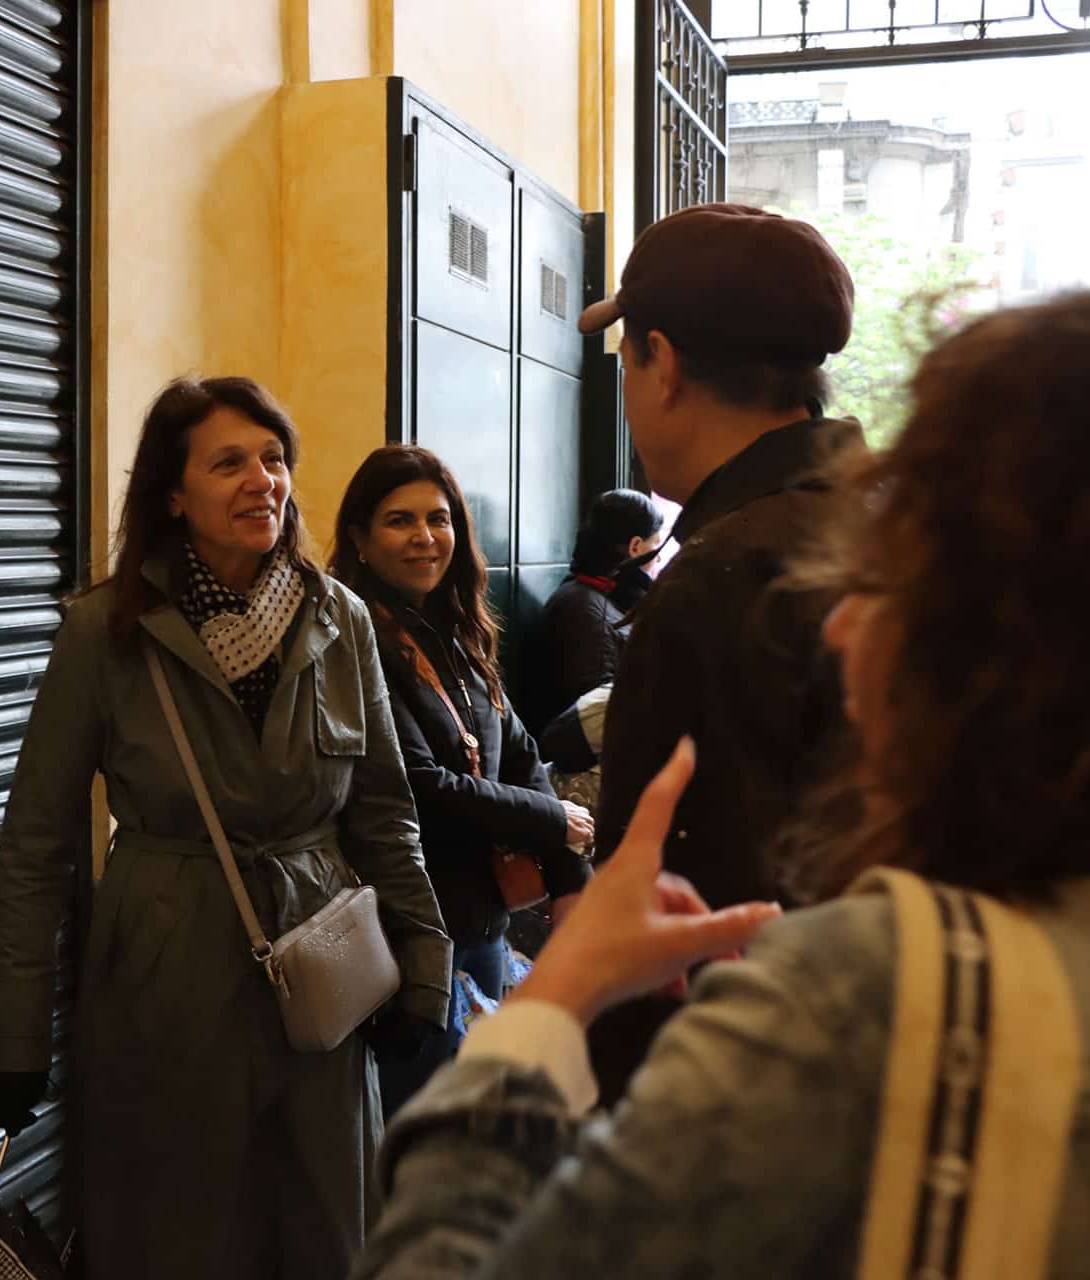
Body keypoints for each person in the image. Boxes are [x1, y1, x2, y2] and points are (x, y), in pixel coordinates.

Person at [355, 291, 1090, 1279]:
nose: (842, 627)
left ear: (1031, 646)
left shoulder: (870, 1001)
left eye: (894, 576)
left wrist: (547, 1009)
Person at [0, 377, 451, 1280]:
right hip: (165, 975)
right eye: (229, 463)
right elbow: (35, 845)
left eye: (273, 459)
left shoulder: (339, 619)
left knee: (327, 1231)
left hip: (324, 973)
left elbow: (387, 813)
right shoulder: (105, 632)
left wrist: (423, 968)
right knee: (177, 1237)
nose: (261, 480)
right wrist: (15, 1035)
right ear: (172, 493)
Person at [576, 203, 864, 1101]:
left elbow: (676, 907)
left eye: (627, 363)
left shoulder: (721, 578)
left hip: (740, 1093)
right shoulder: (889, 521)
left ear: (661, 364)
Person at [330, 446, 594, 1115]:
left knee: (474, 1126)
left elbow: (519, 750)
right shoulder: (352, 640)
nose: (425, 536)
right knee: (418, 1128)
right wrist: (553, 820)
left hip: (482, 923)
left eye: (438, 518)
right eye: (400, 520)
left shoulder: (454, 627)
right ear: (359, 538)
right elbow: (419, 783)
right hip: (409, 932)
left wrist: (568, 874)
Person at [523, 488, 664, 735]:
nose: (659, 559)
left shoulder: (590, 595)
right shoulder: (586, 611)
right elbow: (597, 720)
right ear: (635, 546)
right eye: (656, 546)